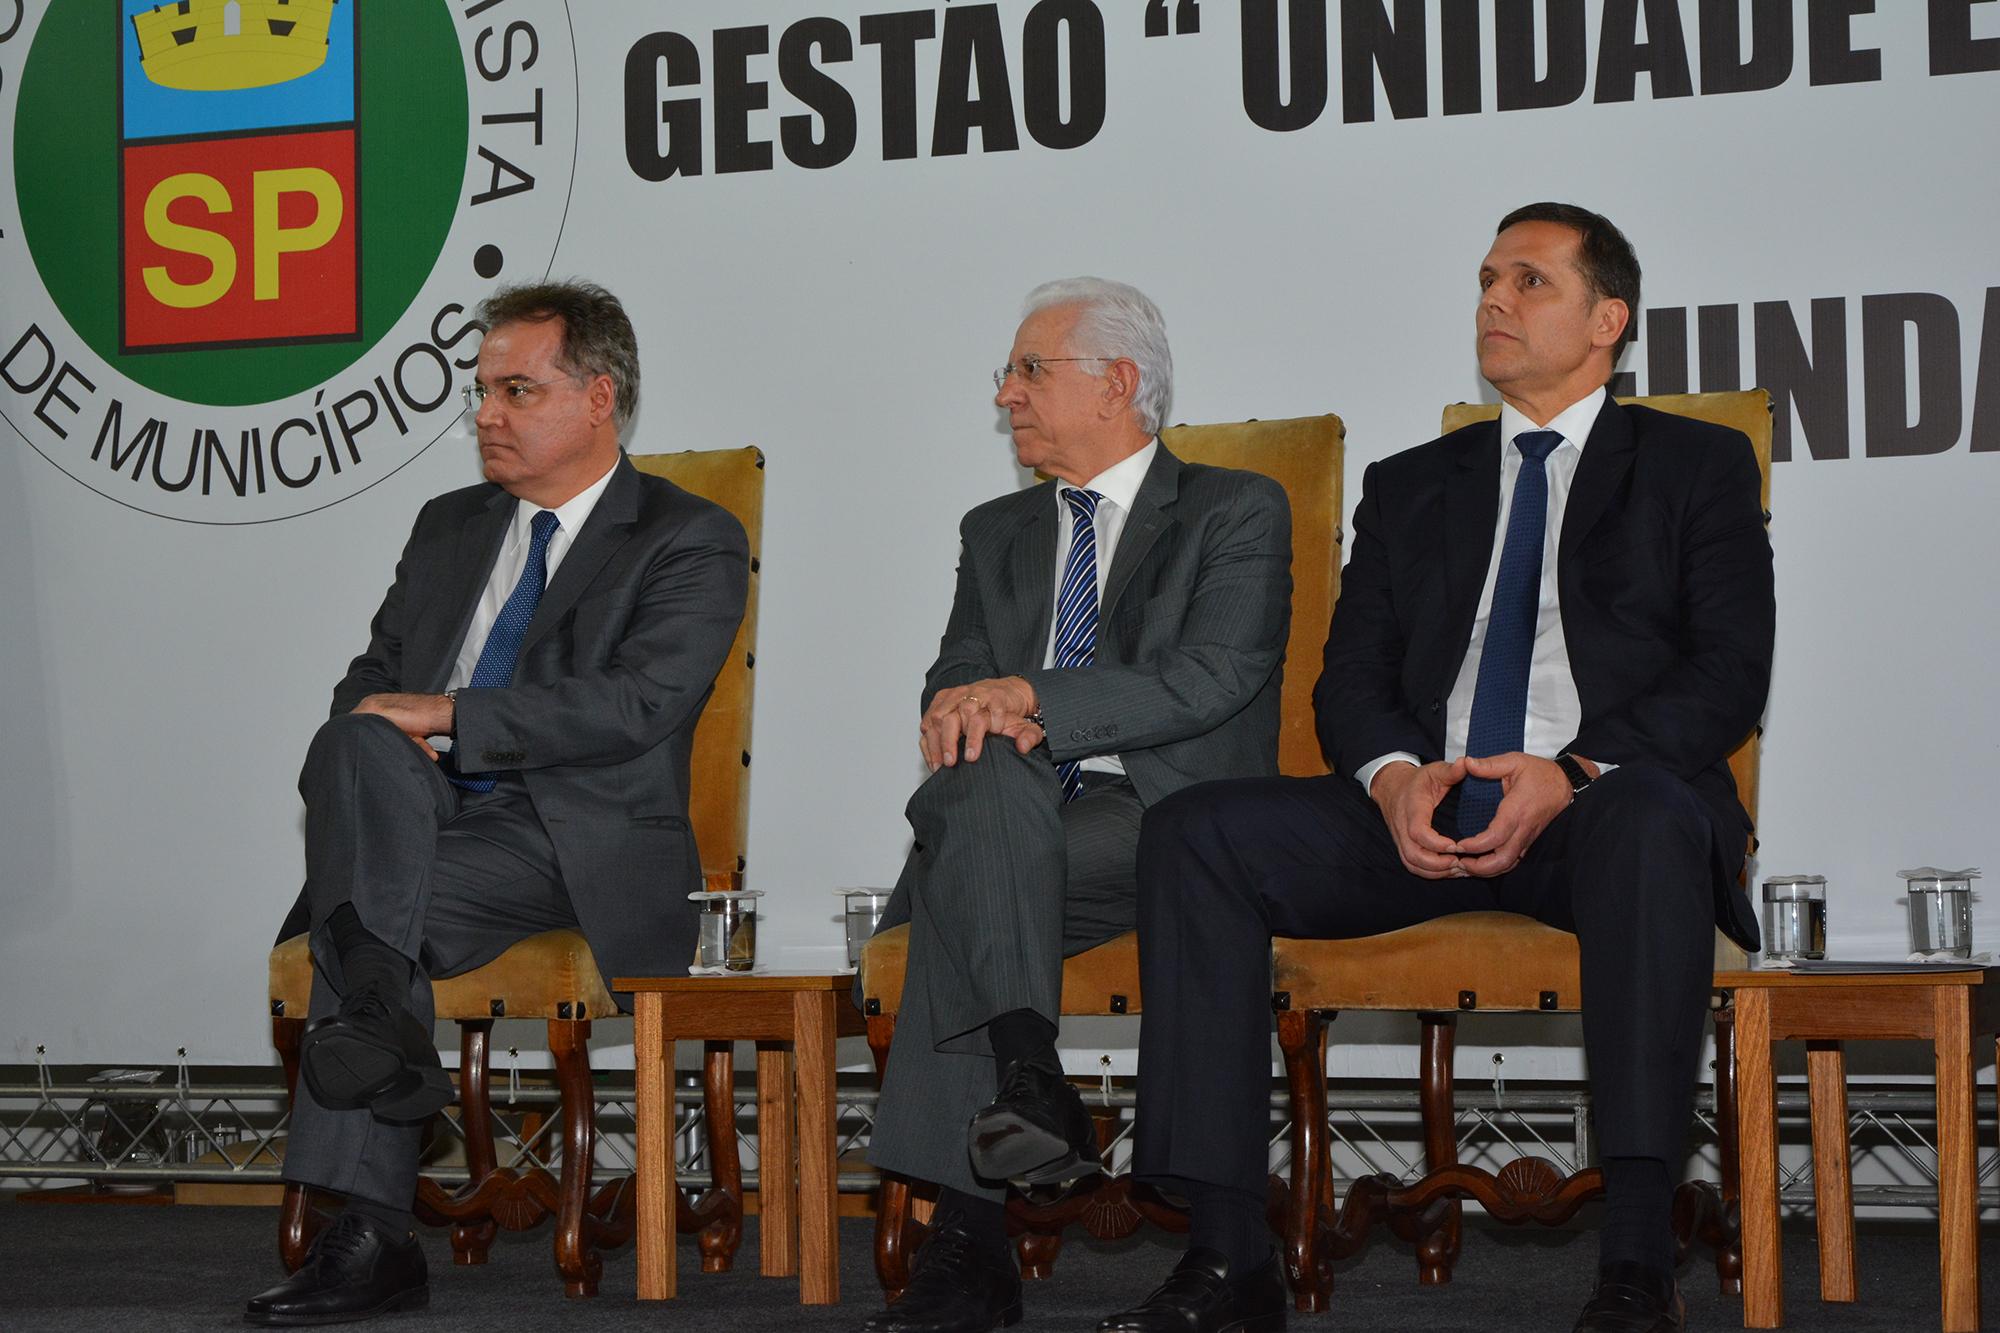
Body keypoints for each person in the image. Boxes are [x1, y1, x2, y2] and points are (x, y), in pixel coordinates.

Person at [1111, 204, 1773, 1333]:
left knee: (1654, 814)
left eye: (1529, 281)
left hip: (1595, 810)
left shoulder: (1693, 464)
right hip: (1425, 808)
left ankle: (1633, 1263)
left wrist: (1572, 771)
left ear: (1607, 320)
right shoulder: (1413, 481)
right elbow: (1350, 677)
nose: (1493, 300)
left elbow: (1725, 673)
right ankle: (1227, 1256)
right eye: (1485, 280)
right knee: (1195, 831)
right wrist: (1389, 777)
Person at [246, 280, 749, 1325]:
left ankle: (374, 1231)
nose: (485, 413)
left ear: (599, 397)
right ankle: (381, 1031)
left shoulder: (685, 534)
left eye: (516, 390)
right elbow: (369, 679)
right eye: (480, 390)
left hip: (571, 835)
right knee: (356, 749)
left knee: (361, 916)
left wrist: (451, 716)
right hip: (421, 819)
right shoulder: (450, 525)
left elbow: (637, 704)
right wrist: (386, 731)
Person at [860, 277, 1293, 1333]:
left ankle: (971, 1241)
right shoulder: (996, 528)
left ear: (1117, 383)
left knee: (956, 880)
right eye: (1005, 373)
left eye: (1028, 370)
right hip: (1015, 814)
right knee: (980, 786)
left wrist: (1030, 698)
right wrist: (972, 704)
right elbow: (954, 673)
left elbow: (1210, 676)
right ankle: (1030, 1077)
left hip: (1165, 813)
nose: (1004, 394)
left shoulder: (1234, 507)